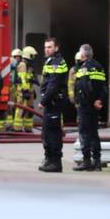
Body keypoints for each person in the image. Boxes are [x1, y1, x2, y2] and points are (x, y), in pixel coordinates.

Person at [72, 44, 107, 171]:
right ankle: (97, 162)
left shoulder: (83, 68)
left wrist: (91, 101)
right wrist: (99, 101)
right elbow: (103, 87)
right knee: (94, 133)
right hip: (95, 106)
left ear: (82, 55)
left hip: (85, 106)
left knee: (84, 133)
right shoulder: (99, 67)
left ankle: (86, 161)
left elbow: (83, 87)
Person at [37, 36, 68, 172]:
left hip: (54, 103)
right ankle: (49, 160)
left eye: (49, 47)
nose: (47, 49)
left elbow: (53, 85)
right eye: (45, 47)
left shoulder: (57, 63)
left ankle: (56, 163)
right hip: (50, 103)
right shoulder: (49, 61)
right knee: (46, 133)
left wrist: (43, 101)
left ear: (56, 47)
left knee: (53, 134)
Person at [8, 46, 38, 132]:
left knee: (30, 109)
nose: (34, 58)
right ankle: (17, 128)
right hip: (22, 92)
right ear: (28, 55)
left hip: (29, 91)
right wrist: (25, 91)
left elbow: (29, 78)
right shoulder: (22, 65)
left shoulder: (29, 66)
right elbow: (22, 79)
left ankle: (28, 127)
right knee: (20, 109)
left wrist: (33, 89)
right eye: (32, 56)